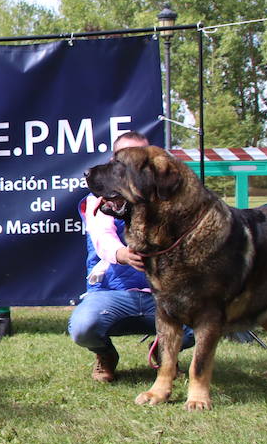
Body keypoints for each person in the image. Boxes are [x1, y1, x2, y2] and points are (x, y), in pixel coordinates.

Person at [69, 132, 193, 382]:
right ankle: (105, 355)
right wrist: (122, 254)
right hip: (111, 294)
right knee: (83, 327)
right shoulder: (99, 199)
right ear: (115, 161)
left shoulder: (167, 197)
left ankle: (165, 351)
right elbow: (102, 237)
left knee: (202, 324)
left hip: (161, 294)